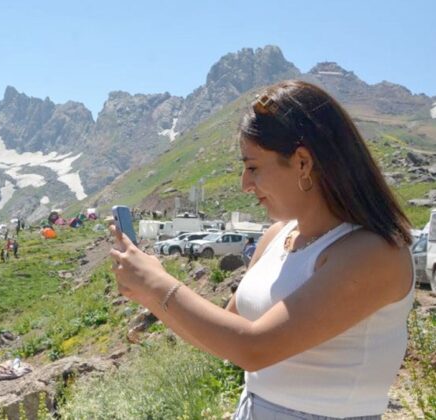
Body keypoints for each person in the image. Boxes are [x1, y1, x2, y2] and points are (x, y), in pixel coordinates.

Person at [109, 80, 414, 419]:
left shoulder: (373, 253)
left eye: (253, 167)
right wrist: (148, 291)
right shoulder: (276, 237)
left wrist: (158, 285)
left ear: (302, 163)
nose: (244, 183)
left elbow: (255, 348)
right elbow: (225, 336)